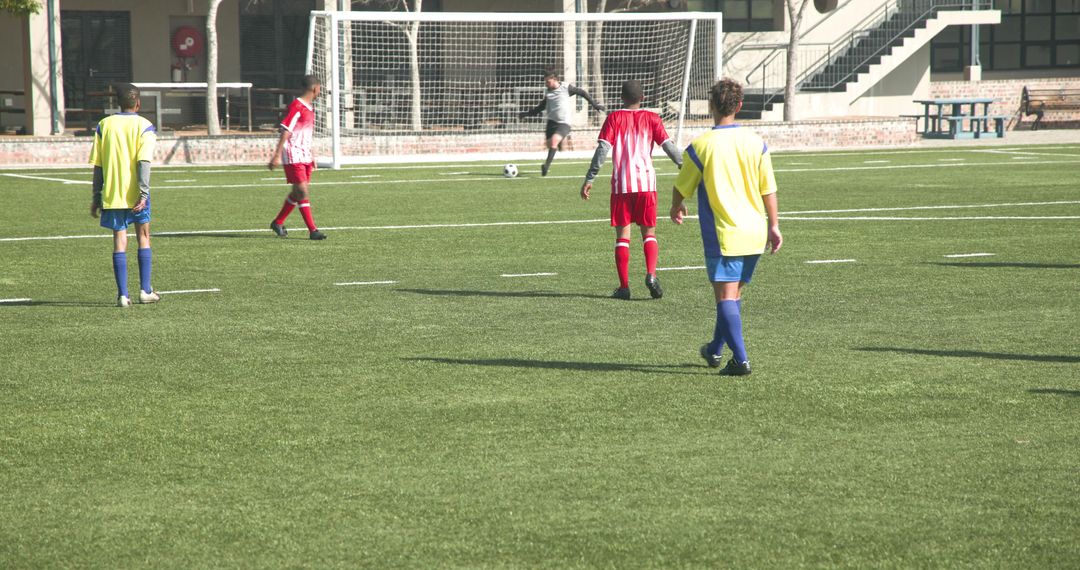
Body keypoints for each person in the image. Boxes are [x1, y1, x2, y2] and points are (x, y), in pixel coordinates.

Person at [669, 78, 782, 376]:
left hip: (725, 234)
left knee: (724, 298)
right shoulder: (756, 143)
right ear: (740, 106)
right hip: (755, 233)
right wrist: (774, 226)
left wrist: (675, 204)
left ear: (711, 106)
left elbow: (682, 187)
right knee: (733, 296)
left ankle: (741, 360)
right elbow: (768, 188)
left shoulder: (702, 146)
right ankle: (715, 349)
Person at [581, 79, 683, 300]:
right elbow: (668, 146)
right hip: (646, 185)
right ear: (643, 98)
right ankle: (651, 275)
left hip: (621, 186)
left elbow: (602, 150)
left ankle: (624, 287)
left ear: (621, 97)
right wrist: (683, 165)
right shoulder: (652, 118)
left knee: (622, 237)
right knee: (649, 233)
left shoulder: (614, 118)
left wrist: (590, 177)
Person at [89, 83, 160, 308]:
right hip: (136, 196)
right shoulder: (145, 126)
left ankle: (122, 295)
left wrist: (95, 195)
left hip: (112, 195)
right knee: (144, 238)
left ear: (118, 103)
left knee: (119, 243)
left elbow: (98, 166)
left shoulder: (104, 125)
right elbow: (144, 163)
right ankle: (145, 291)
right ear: (138, 103)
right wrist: (143, 193)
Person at [269, 75, 327, 240]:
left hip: (304, 154)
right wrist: (277, 154)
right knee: (302, 191)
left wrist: (311, 154)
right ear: (315, 89)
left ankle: (278, 222)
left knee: (298, 192)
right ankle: (313, 230)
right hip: (293, 154)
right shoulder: (297, 106)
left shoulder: (309, 108)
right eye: (320, 88)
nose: (320, 91)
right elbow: (286, 130)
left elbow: (306, 135)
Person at [519, 67, 606, 177]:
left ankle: (546, 166)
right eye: (545, 82)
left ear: (554, 79)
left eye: (548, 82)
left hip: (564, 123)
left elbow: (582, 92)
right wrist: (526, 114)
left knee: (554, 141)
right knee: (549, 144)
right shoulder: (548, 94)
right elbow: (539, 108)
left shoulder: (565, 87)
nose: (546, 84)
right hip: (551, 123)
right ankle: (557, 147)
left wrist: (594, 104)